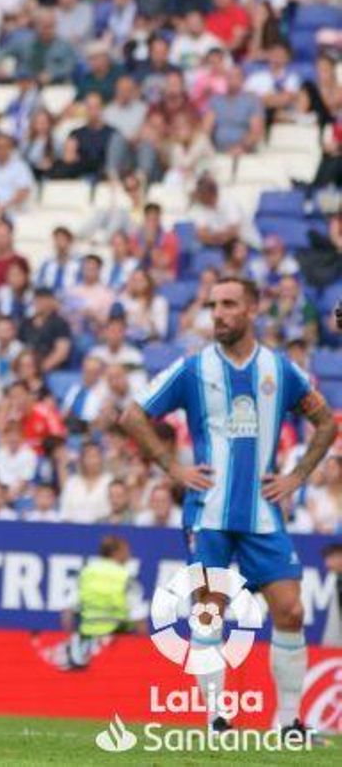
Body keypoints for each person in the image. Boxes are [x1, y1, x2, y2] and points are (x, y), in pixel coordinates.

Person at [117, 277, 335, 738]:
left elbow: (325, 423)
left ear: (252, 309)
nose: (218, 313)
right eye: (214, 305)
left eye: (230, 304)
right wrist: (172, 469)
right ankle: (216, 719)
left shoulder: (281, 370)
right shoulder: (192, 369)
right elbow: (132, 416)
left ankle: (288, 722)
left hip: (263, 512)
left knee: (291, 610)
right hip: (208, 512)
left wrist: (298, 476)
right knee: (210, 611)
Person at [57, 534, 143, 670]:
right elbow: (138, 617)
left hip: (88, 641)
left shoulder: (86, 573)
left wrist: (70, 639)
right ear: (116, 552)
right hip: (118, 642)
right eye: (126, 551)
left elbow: (67, 612)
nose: (129, 554)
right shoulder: (126, 576)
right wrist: (143, 648)